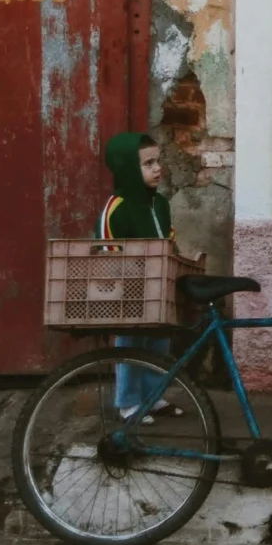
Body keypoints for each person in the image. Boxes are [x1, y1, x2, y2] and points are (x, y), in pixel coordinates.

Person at [100, 131, 180, 420]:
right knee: (131, 344)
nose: (157, 168)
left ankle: (152, 396)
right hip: (128, 289)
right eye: (148, 164)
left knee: (159, 341)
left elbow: (168, 241)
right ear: (127, 168)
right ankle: (128, 402)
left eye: (157, 161)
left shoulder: (159, 204)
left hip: (157, 287)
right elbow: (110, 250)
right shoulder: (117, 208)